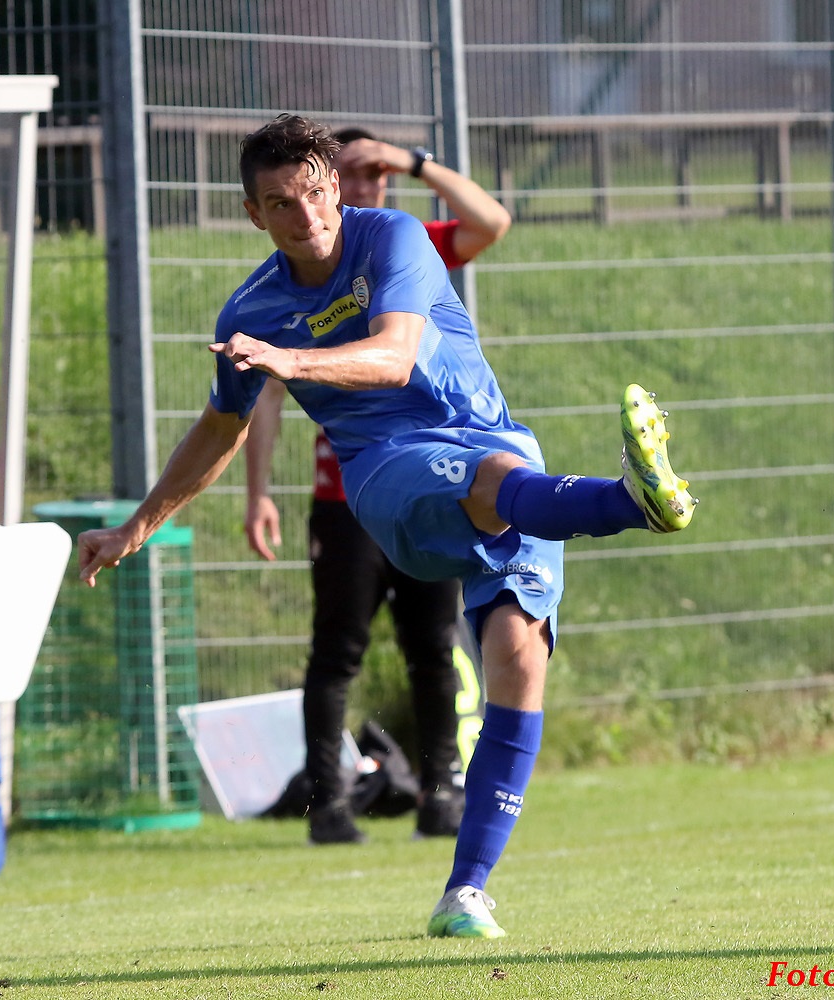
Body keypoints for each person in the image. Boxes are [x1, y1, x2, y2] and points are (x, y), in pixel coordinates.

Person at [75, 114, 697, 939]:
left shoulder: (394, 237)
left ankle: (465, 892)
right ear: (254, 215)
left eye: (316, 193)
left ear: (335, 184)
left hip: (497, 443)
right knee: (481, 497)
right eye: (281, 204)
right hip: (386, 474)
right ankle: (629, 502)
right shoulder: (253, 307)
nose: (308, 217)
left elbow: (397, 354)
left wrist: (290, 363)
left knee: (516, 658)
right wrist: (136, 527)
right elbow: (220, 429)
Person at [243, 126, 512, 845]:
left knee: (433, 642)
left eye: (371, 174)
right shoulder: (291, 278)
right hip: (348, 497)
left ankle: (443, 788)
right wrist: (257, 490)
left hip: (432, 478)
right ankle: (326, 801)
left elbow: (492, 223)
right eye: (348, 173)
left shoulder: (404, 243)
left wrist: (416, 161)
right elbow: (261, 394)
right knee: (337, 648)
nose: (353, 191)